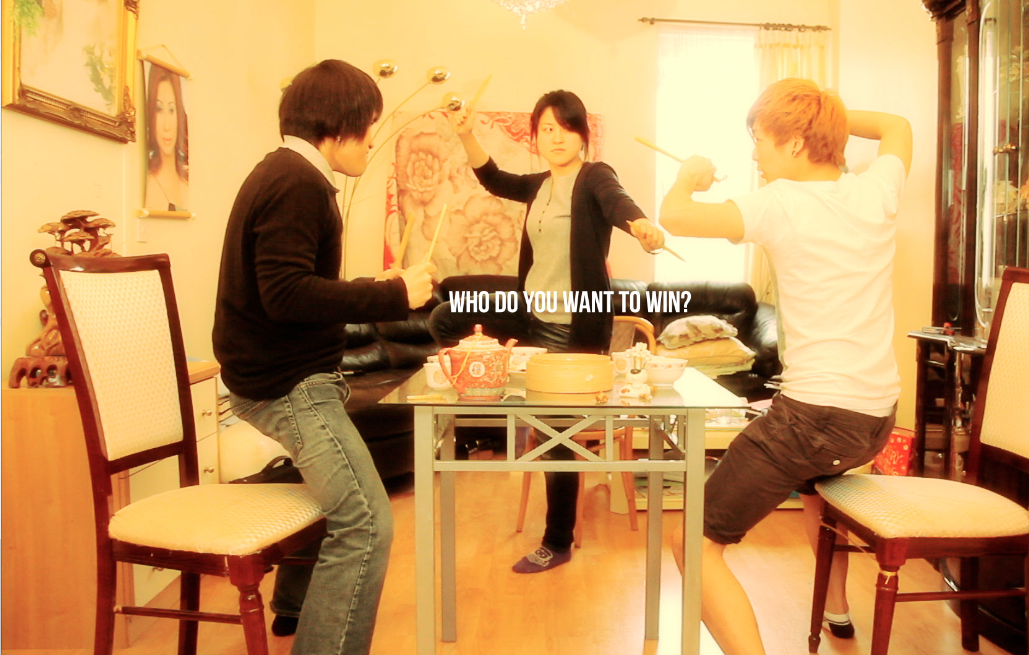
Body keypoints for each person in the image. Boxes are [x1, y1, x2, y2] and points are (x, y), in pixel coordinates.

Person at [660, 78, 912, 655]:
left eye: (760, 140)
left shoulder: (780, 202)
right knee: (815, 483)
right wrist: (827, 116)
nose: (755, 154)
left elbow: (676, 216)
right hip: (874, 420)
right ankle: (837, 611)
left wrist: (689, 175)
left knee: (691, 543)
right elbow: (897, 127)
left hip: (815, 420)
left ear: (795, 143)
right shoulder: (876, 191)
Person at [213, 59, 435, 655]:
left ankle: (294, 606)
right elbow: (286, 296)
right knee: (368, 524)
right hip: (289, 384)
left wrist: (372, 285)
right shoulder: (296, 183)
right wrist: (393, 294)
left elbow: (289, 286)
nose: (372, 140)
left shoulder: (284, 173)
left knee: (340, 500)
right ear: (339, 124)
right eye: (369, 126)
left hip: (283, 376)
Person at [443, 90, 664, 573]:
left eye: (566, 128)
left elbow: (618, 203)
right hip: (531, 315)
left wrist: (641, 225)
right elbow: (493, 178)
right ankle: (480, 389)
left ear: (582, 134)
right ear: (536, 137)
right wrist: (466, 133)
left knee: (557, 435)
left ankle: (557, 541)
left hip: (575, 324)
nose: (556, 137)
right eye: (546, 129)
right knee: (447, 316)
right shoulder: (539, 185)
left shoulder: (594, 177)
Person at [143, 64, 190, 212]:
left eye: (171, 109)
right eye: (158, 109)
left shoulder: (188, 180)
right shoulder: (151, 185)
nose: (166, 126)